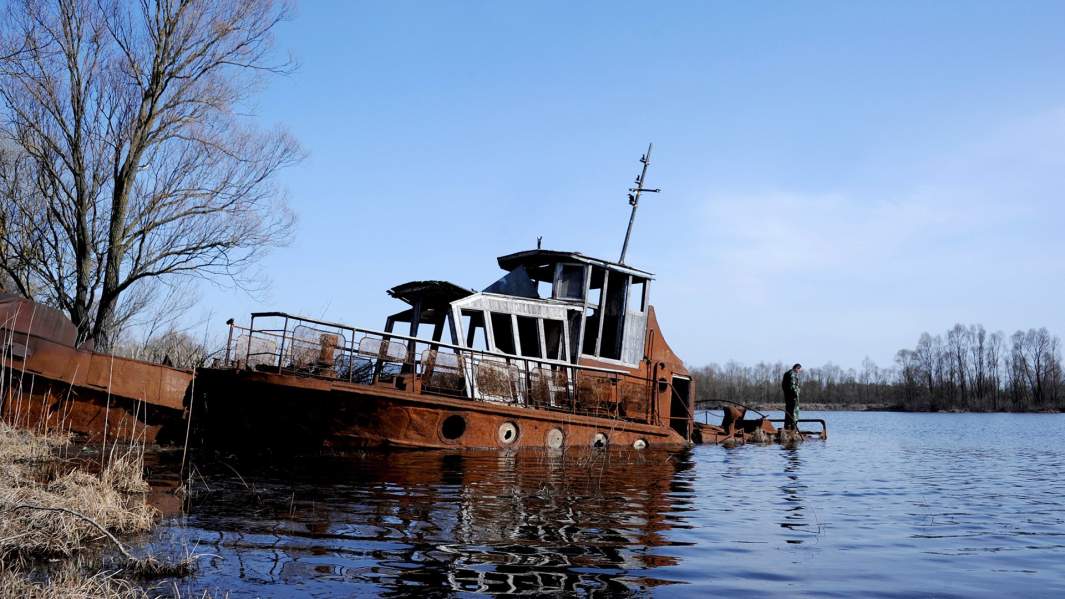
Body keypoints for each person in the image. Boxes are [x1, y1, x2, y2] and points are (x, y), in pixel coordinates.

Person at [781, 363, 802, 430]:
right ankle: (793, 429)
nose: (799, 371)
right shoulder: (793, 374)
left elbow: (783, 385)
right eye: (799, 370)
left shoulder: (787, 373)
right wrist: (796, 393)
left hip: (787, 397)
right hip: (793, 398)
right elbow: (792, 387)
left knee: (788, 413)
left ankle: (787, 428)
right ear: (797, 368)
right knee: (794, 413)